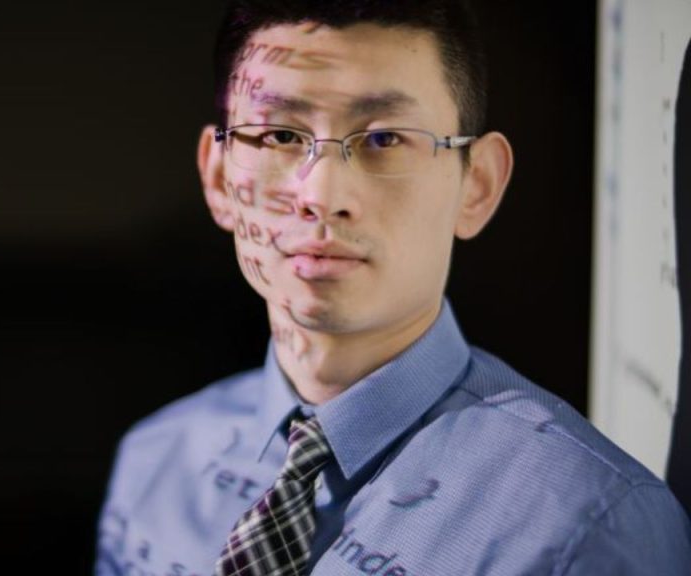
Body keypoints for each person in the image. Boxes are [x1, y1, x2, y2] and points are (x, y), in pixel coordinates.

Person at [96, 0, 691, 574]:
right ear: (221, 178)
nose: (323, 197)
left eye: (383, 139)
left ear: (477, 185)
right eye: (279, 136)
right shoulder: (156, 463)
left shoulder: (586, 524)